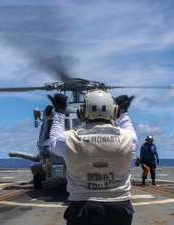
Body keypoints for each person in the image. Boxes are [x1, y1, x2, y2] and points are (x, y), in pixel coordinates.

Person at [49, 90, 139, 225]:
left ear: (81, 112)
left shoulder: (68, 138)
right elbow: (129, 128)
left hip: (82, 206)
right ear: (114, 112)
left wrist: (59, 112)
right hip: (119, 206)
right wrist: (124, 112)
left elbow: (54, 140)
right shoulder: (128, 138)